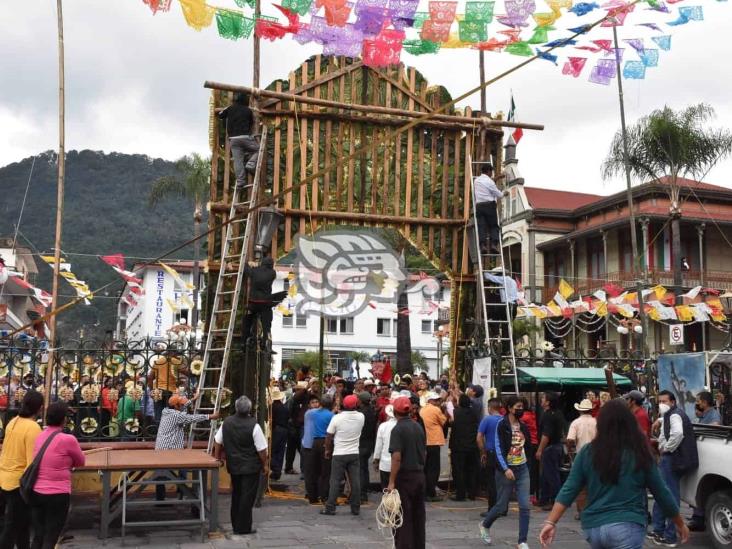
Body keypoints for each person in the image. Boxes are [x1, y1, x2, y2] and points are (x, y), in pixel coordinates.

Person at [539, 399, 689, 549]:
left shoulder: (587, 452)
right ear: (630, 424)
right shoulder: (640, 453)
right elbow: (662, 493)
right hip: (627, 525)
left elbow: (569, 489)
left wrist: (550, 522)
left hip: (594, 528)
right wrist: (680, 523)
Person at [29, 401, 85, 549]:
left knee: (38, 536)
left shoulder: (40, 436)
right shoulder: (68, 439)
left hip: (37, 491)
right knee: (51, 537)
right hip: (58, 494)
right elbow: (80, 461)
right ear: (63, 419)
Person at [479, 396, 532, 548]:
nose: (520, 410)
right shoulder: (501, 425)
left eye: (522, 407)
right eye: (518, 407)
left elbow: (527, 447)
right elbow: (498, 448)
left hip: (522, 468)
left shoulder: (523, 426)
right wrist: (505, 468)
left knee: (525, 506)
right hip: (505, 470)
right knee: (501, 506)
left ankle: (522, 541)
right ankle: (485, 524)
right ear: (509, 408)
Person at [649, 390, 698, 547]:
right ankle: (659, 530)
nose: (662, 404)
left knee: (668, 496)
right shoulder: (671, 415)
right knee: (663, 494)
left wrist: (667, 449)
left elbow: (677, 434)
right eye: (660, 402)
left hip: (672, 459)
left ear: (673, 402)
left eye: (664, 401)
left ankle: (669, 536)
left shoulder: (675, 415)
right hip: (671, 459)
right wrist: (660, 420)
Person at [214, 396, 268, 535]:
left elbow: (217, 441)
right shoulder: (254, 425)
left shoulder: (227, 422)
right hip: (250, 466)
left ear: (236, 408)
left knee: (237, 494)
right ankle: (243, 527)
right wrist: (265, 465)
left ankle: (236, 524)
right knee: (247, 497)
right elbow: (261, 449)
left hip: (234, 464)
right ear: (249, 409)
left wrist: (217, 457)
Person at [154, 392, 219, 501]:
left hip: (165, 448)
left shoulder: (167, 411)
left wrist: (193, 399)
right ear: (176, 406)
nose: (183, 406)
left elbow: (183, 406)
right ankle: (179, 494)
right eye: (180, 405)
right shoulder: (176, 415)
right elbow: (191, 418)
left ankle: (170, 496)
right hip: (169, 450)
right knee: (168, 474)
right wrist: (210, 416)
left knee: (165, 474)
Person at [0, 390, 43, 549]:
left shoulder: (13, 421)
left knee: (21, 525)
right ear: (39, 408)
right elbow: (32, 463)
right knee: (12, 527)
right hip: (18, 483)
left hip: (5, 477)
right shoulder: (33, 428)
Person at [387, 396, 427, 549]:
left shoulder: (397, 429)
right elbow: (424, 452)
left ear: (395, 412)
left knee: (402, 517)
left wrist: (391, 481)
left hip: (405, 477)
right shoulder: (418, 426)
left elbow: (396, 458)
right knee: (418, 515)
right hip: (419, 475)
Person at [321, 394, 364, 516]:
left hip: (339, 453)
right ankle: (355, 508)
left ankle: (330, 507)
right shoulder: (361, 417)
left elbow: (329, 436)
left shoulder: (337, 418)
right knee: (355, 481)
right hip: (354, 452)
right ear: (356, 405)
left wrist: (327, 450)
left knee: (335, 481)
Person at [217, 92, 259, 188]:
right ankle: (251, 163)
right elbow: (252, 123)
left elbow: (220, 115)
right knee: (258, 149)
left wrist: (227, 109)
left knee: (238, 161)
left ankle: (240, 181)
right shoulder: (248, 110)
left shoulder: (230, 108)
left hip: (233, 140)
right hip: (245, 137)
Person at [566, 398, 597, 518]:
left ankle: (582, 511)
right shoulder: (596, 422)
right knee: (594, 484)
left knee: (581, 486)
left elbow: (570, 439)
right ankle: (593, 509)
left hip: (581, 457)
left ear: (580, 411)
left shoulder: (576, 423)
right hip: (596, 456)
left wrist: (570, 450)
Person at [536, 391, 566, 511]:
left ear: (548, 402)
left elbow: (546, 435)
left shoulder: (548, 415)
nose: (542, 400)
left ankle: (555, 501)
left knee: (551, 476)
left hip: (551, 448)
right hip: (556, 447)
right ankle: (545, 498)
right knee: (547, 475)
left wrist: (539, 450)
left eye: (543, 398)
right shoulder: (558, 413)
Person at [241, 257, 277, 350]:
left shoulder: (254, 271)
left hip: (253, 303)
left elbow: (245, 269)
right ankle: (265, 341)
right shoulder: (272, 273)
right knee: (267, 323)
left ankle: (244, 342)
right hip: (265, 303)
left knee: (247, 321)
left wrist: (248, 264)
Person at [450, 394, 479, 501]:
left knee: (459, 470)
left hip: (458, 447)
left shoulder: (456, 412)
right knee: (471, 470)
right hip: (472, 445)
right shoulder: (474, 413)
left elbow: (451, 424)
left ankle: (460, 494)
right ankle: (472, 493)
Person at [419, 391, 448, 501]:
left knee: (426, 468)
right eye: (435, 400)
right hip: (434, 441)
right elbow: (444, 421)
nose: (437, 402)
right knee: (434, 469)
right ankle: (431, 493)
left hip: (425, 441)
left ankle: (426, 491)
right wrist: (445, 411)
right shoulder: (436, 409)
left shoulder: (422, 410)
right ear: (430, 401)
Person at [306, 396, 334, 504]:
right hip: (325, 442)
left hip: (314, 442)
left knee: (314, 470)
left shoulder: (312, 413)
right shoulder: (331, 415)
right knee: (325, 471)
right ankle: (324, 496)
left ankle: (312, 497)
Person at [477, 397, 503, 513]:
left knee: (491, 482)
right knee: (502, 482)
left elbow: (479, 438)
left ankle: (492, 508)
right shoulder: (504, 420)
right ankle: (503, 508)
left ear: (489, 408)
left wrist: (483, 452)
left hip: (491, 453)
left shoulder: (487, 420)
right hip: (502, 454)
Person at [473, 163, 503, 254]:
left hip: (479, 206)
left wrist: (497, 178)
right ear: (489, 171)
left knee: (481, 227)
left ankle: (482, 246)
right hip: (489, 206)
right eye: (491, 172)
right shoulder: (490, 182)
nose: (492, 174)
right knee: (493, 226)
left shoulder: (476, 181)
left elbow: (488, 183)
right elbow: (499, 194)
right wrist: (504, 193)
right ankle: (494, 244)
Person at [301, 394, 322, 502]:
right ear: (309, 405)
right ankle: (311, 494)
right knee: (309, 472)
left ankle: (316, 493)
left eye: (316, 402)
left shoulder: (319, 413)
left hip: (315, 445)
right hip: (308, 446)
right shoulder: (309, 413)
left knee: (317, 471)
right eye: (313, 402)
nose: (315, 404)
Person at [285, 381, 309, 474]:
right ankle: (289, 467)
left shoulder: (305, 399)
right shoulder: (292, 399)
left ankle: (302, 469)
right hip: (293, 426)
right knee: (291, 448)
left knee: (300, 449)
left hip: (300, 426)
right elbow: (288, 412)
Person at [357, 392, 377, 503]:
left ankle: (362, 493)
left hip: (362, 444)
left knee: (361, 469)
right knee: (364, 469)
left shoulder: (361, 413)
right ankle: (364, 490)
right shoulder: (371, 411)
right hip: (368, 444)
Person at [373, 404, 397, 489]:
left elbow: (378, 445)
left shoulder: (383, 426)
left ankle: (387, 502)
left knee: (386, 488)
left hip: (385, 463)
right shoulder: (402, 425)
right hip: (399, 464)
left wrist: (376, 459)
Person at [269, 388, 289, 481]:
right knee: (280, 451)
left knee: (272, 450)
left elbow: (272, 420)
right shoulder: (284, 407)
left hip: (277, 429)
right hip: (284, 429)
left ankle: (275, 469)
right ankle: (278, 471)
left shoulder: (272, 407)